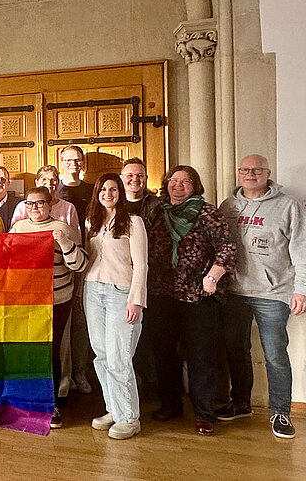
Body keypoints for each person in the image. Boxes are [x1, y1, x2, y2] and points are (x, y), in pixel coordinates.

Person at [144, 165, 237, 436]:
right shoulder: (156, 211)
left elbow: (227, 247)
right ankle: (171, 404)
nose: (178, 185)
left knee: (201, 356)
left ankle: (204, 413)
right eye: (174, 180)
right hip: (161, 293)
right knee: (164, 354)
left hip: (199, 295)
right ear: (166, 183)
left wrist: (213, 276)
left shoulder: (208, 212)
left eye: (186, 181)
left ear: (196, 186)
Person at [218, 154, 305, 439]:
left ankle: (281, 412)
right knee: (235, 349)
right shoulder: (228, 206)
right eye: (244, 169)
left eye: (256, 170)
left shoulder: (289, 206)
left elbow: (301, 250)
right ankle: (241, 403)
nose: (250, 173)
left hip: (273, 291)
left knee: (275, 355)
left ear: (268, 173)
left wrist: (301, 289)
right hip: (234, 291)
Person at [11, 186, 87, 429]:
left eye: (40, 203)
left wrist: (64, 242)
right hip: (26, 301)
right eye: (30, 204)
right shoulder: (19, 228)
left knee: (51, 351)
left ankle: (51, 404)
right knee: (27, 349)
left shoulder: (62, 228)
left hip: (57, 299)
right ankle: (27, 400)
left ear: (50, 204)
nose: (35, 208)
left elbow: (79, 264)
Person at [83, 174, 148, 440]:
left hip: (121, 293)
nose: (107, 194)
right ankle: (114, 408)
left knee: (119, 356)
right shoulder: (91, 222)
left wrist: (136, 299)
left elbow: (141, 265)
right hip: (93, 291)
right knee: (101, 355)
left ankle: (129, 418)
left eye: (112, 189)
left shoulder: (133, 222)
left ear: (120, 192)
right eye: (103, 189)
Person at [119, 157, 162, 396]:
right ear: (121, 178)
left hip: (149, 280)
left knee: (147, 336)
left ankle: (150, 387)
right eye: (130, 175)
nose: (135, 179)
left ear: (145, 179)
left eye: (140, 176)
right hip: (117, 280)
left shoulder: (157, 206)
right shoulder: (111, 202)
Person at [56, 147, 94, 395]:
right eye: (69, 160)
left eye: (78, 160)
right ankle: (63, 375)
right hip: (58, 266)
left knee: (81, 319)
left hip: (87, 256)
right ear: (61, 162)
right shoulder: (52, 190)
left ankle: (80, 371)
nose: (74, 164)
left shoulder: (91, 190)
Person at [10, 165, 81, 241]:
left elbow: (75, 235)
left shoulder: (68, 207)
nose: (49, 183)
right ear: (37, 182)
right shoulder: (23, 206)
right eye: (44, 179)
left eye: (53, 180)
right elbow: (14, 236)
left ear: (58, 183)